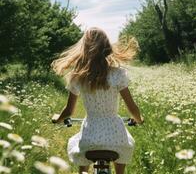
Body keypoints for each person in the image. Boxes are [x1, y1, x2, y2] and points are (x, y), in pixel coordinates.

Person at [51, 27, 144, 174]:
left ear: (84, 48)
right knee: (124, 150)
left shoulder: (78, 76)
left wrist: (58, 119)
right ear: (106, 47)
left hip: (90, 137)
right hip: (116, 136)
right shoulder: (118, 74)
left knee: (82, 160)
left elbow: (69, 111)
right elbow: (132, 107)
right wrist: (138, 119)